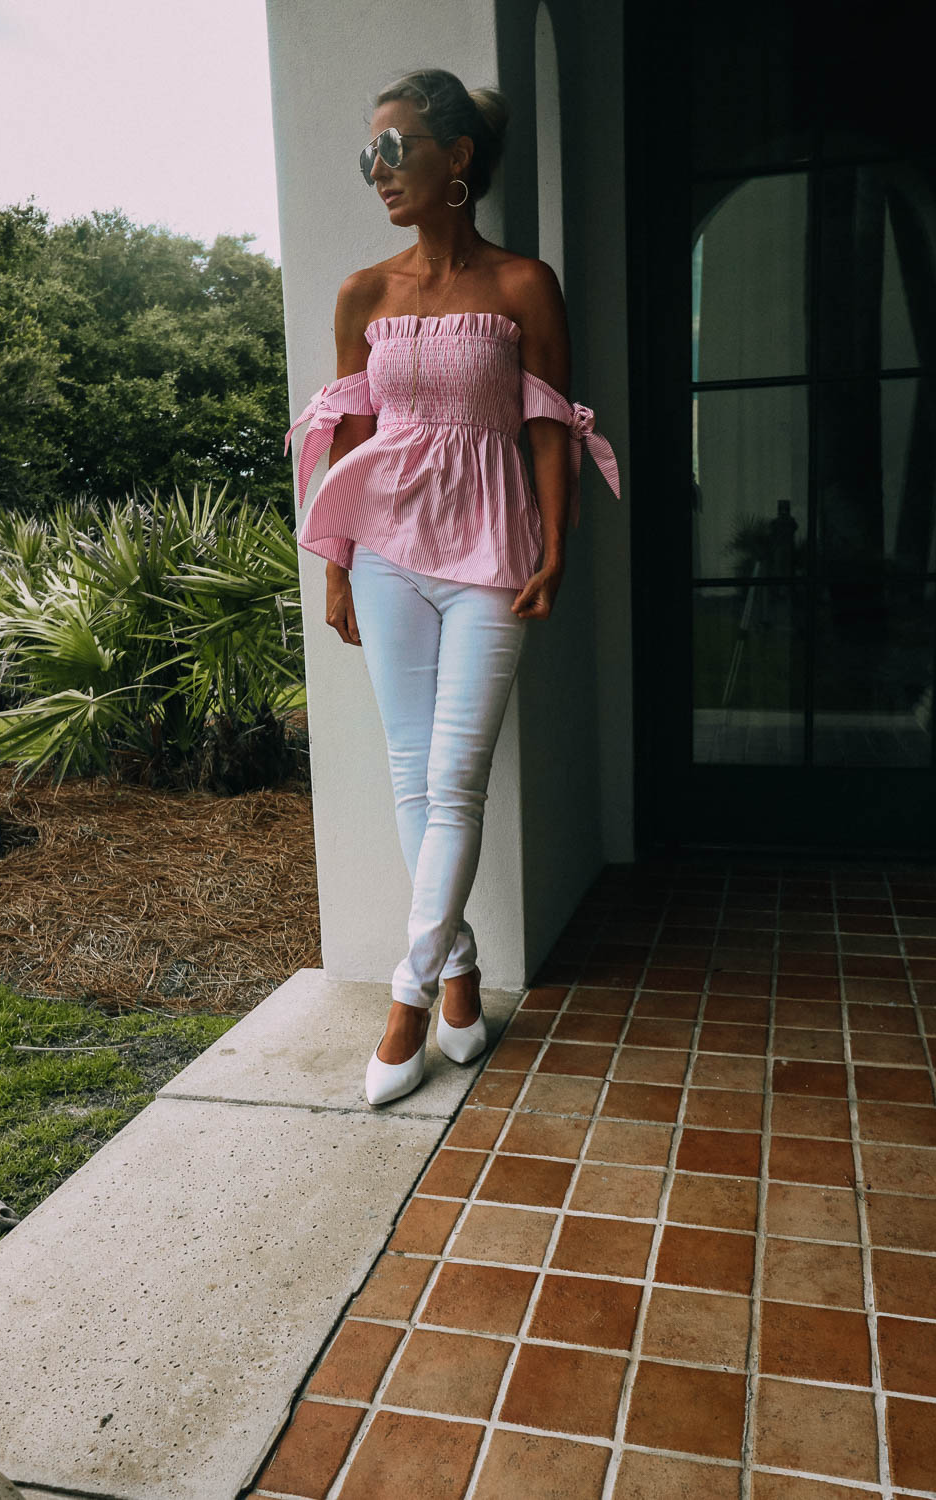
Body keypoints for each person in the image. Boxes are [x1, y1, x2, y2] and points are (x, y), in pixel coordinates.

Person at [284, 68, 620, 1106]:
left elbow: (549, 428)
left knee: (455, 780)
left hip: (490, 551)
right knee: (409, 774)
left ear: (456, 160)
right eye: (368, 155)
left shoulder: (523, 287)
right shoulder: (363, 294)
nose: (377, 172)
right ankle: (462, 973)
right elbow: (347, 434)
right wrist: (337, 568)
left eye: (396, 150)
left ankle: (407, 997)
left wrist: (555, 547)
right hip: (385, 551)